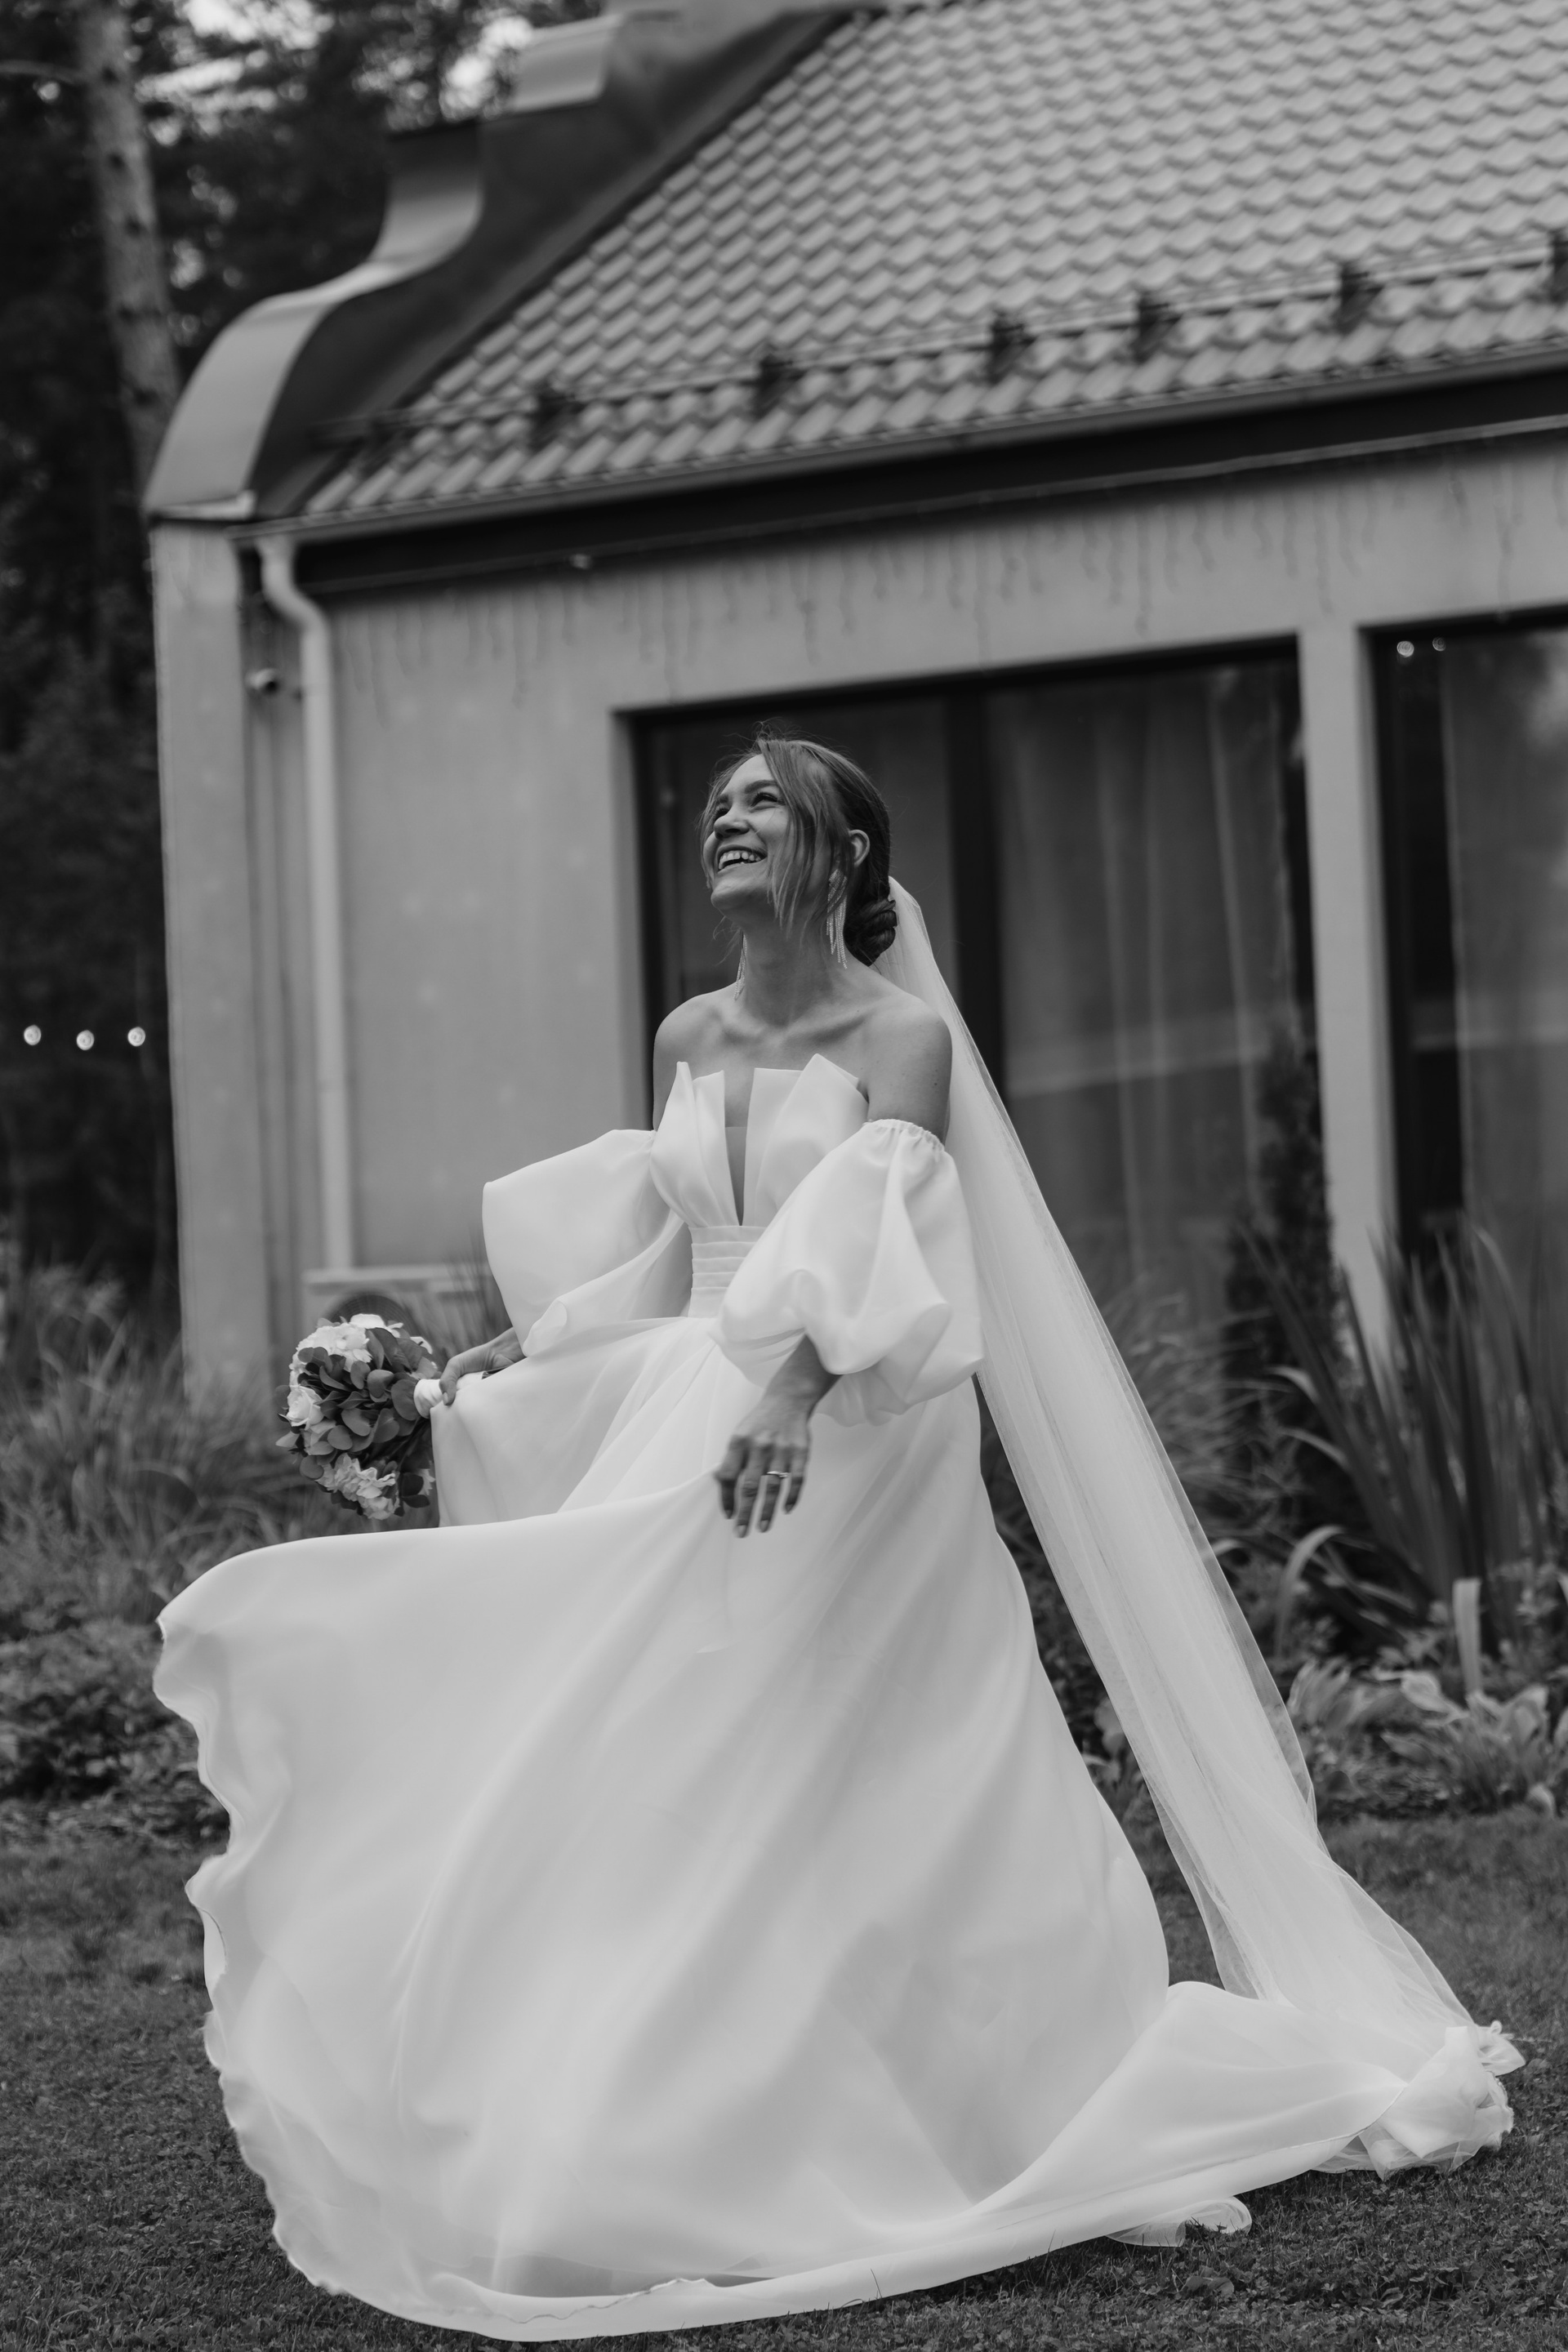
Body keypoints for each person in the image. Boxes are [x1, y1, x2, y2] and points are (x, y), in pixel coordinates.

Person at [157, 734, 1517, 2341]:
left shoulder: (901, 1037)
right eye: (718, 806)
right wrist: (487, 1367)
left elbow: (890, 1235)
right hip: (695, 1400)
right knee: (673, 1746)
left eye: (763, 804)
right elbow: (671, 1258)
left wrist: (791, 1401)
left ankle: (951, 2092)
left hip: (855, 1425)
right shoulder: (686, 1033)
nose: (726, 822)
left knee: (860, 1751)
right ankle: (659, 2101)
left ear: (842, 850)